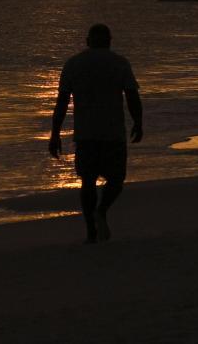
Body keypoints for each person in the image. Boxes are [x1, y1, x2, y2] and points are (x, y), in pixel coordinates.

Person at [49, 23, 143, 243]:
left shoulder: (73, 64)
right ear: (109, 41)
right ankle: (101, 211)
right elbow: (132, 97)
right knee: (117, 180)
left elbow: (62, 103)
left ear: (88, 41)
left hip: (86, 134)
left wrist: (55, 133)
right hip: (113, 133)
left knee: (88, 181)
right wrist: (138, 122)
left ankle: (91, 230)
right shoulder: (120, 63)